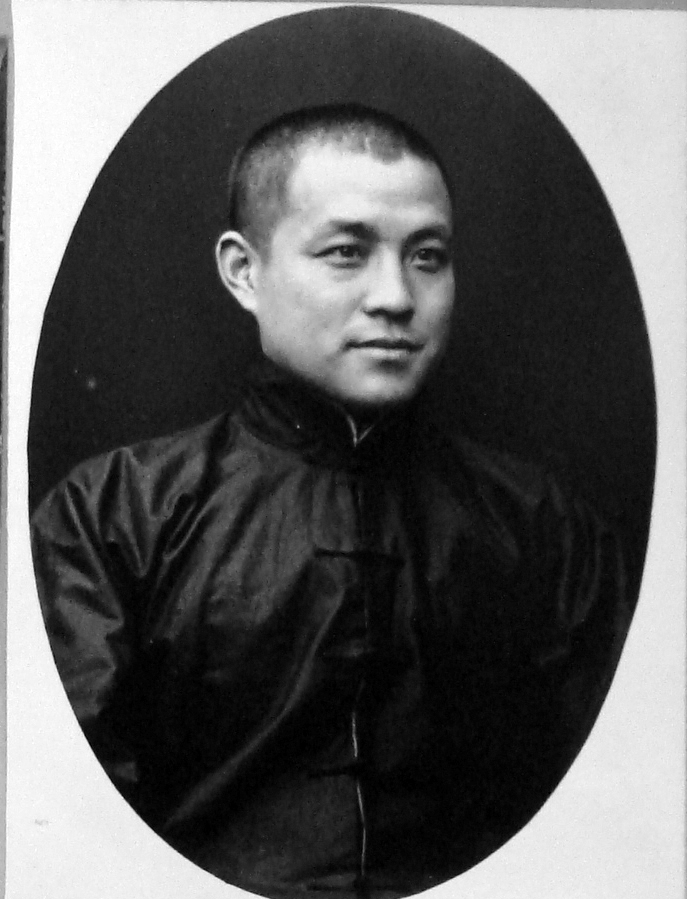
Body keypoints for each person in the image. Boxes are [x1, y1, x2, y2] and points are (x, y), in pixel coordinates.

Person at [30, 106, 629, 899]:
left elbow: (613, 820)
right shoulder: (112, 516)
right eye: (346, 252)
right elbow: (65, 831)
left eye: (427, 256)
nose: (396, 296)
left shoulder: (544, 527)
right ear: (244, 271)